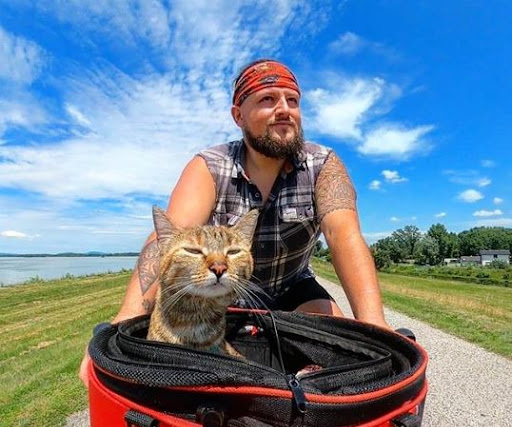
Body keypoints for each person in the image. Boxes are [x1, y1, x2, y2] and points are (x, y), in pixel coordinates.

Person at [79, 59, 389, 386]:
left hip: (294, 286)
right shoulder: (209, 167)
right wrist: (127, 317)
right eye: (268, 99)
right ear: (238, 115)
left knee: (338, 357)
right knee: (188, 373)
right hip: (220, 290)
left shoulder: (323, 165)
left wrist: (374, 325)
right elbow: (169, 237)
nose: (284, 109)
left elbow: (343, 237)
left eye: (292, 101)